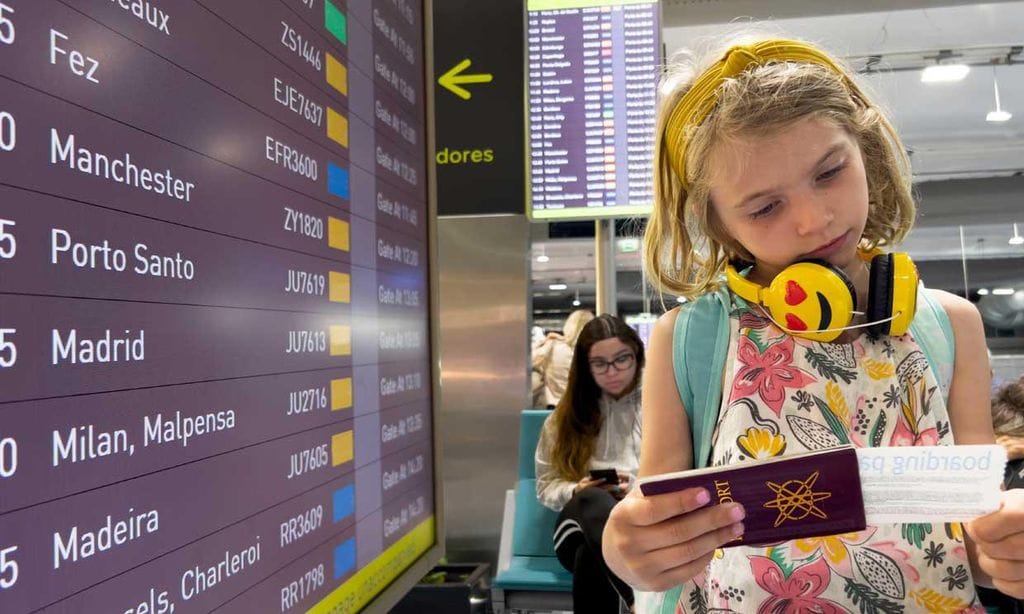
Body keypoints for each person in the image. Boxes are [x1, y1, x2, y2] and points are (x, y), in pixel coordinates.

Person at [600, 33, 1024, 612]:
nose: (815, 218)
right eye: (766, 207)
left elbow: (974, 534)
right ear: (720, 225)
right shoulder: (694, 338)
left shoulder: (951, 326)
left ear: (865, 150)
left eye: (830, 172)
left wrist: (1006, 550)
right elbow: (656, 521)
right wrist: (628, 551)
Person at [535, 314, 645, 613]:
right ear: (585, 366)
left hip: (639, 524)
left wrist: (633, 488)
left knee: (591, 557)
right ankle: (635, 600)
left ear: (637, 355)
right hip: (576, 525)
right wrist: (577, 489)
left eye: (622, 359)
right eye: (600, 363)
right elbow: (546, 487)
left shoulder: (659, 404)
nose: (613, 372)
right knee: (593, 499)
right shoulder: (564, 419)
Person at [532, 309, 594, 408]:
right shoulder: (593, 352)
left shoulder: (552, 346)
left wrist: (543, 341)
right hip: (585, 407)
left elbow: (527, 361)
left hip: (555, 406)